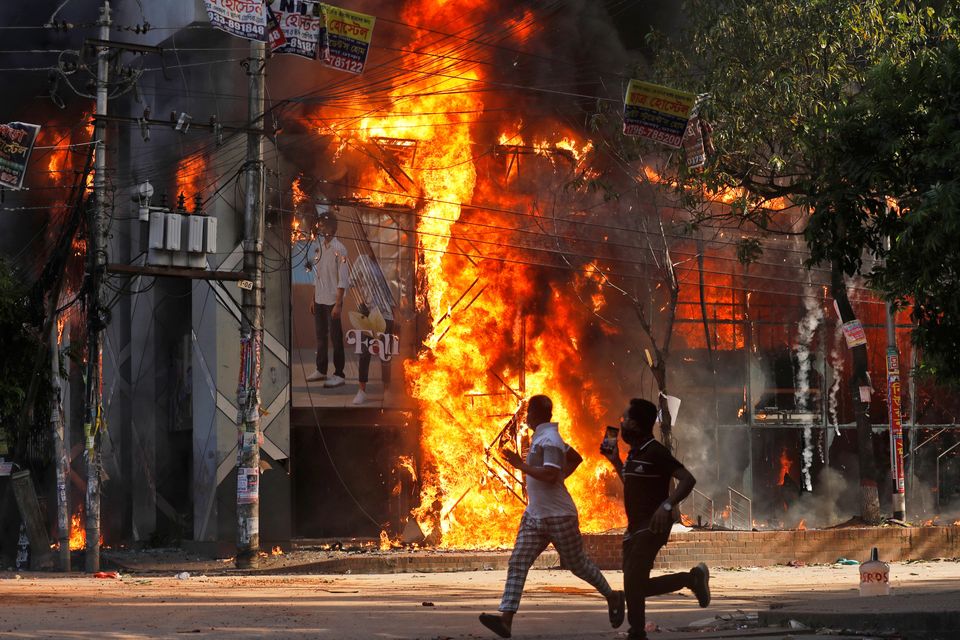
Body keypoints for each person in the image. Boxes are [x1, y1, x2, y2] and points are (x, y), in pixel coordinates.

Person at [479, 394, 625, 639]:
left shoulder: (550, 440)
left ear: (535, 414)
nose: (525, 418)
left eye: (527, 413)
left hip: (559, 516)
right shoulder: (544, 437)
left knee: (578, 565)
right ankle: (506, 620)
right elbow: (575, 458)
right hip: (535, 515)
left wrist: (520, 465)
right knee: (518, 562)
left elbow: (548, 475)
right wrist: (560, 476)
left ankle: (613, 596)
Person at [601, 398, 711, 640]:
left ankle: (636, 632)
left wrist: (667, 504)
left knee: (632, 582)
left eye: (626, 419)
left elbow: (687, 479)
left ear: (638, 425)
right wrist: (616, 461)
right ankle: (692, 579)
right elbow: (631, 483)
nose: (622, 423)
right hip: (634, 528)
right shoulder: (634, 454)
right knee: (635, 586)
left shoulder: (656, 452)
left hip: (652, 526)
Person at [305, 207, 348, 388]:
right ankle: (321, 370)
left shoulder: (340, 249)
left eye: (322, 225)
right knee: (320, 336)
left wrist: (338, 304)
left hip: (332, 302)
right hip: (320, 300)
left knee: (335, 338)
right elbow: (318, 276)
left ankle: (339, 374)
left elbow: (343, 279)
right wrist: (313, 298)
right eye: (319, 225)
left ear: (331, 228)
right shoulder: (320, 249)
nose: (320, 228)